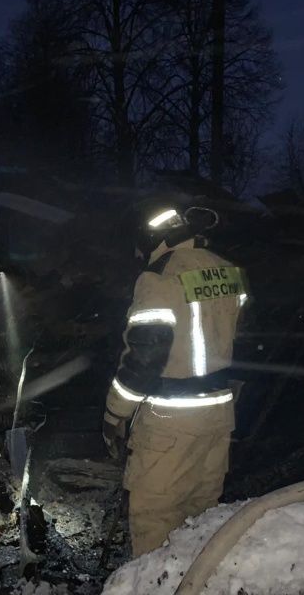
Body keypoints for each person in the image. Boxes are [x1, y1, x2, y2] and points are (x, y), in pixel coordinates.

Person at [102, 203, 250, 556]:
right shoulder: (229, 270)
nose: (138, 255)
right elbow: (242, 337)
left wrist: (114, 413)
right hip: (219, 415)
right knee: (201, 515)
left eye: (140, 247)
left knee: (156, 516)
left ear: (155, 240)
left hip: (170, 421)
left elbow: (145, 357)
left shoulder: (158, 278)